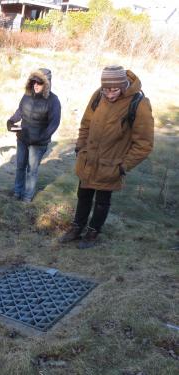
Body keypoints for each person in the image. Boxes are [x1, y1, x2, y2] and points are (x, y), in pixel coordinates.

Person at [59, 65, 154, 249]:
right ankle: (76, 228)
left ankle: (93, 233)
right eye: (106, 89)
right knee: (83, 195)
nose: (109, 94)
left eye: (114, 90)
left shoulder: (139, 103)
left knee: (102, 201)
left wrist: (123, 166)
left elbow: (144, 143)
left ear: (124, 85)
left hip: (112, 165)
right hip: (88, 160)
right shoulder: (97, 96)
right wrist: (80, 147)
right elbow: (86, 124)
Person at [6, 68, 61, 202]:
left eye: (40, 82)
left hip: (38, 143)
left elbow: (54, 124)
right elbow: (20, 111)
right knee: (20, 166)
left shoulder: (53, 101)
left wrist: (41, 137)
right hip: (23, 138)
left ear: (46, 84)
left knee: (31, 170)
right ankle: (17, 192)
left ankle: (27, 196)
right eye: (33, 82)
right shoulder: (27, 96)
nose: (36, 85)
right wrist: (11, 120)